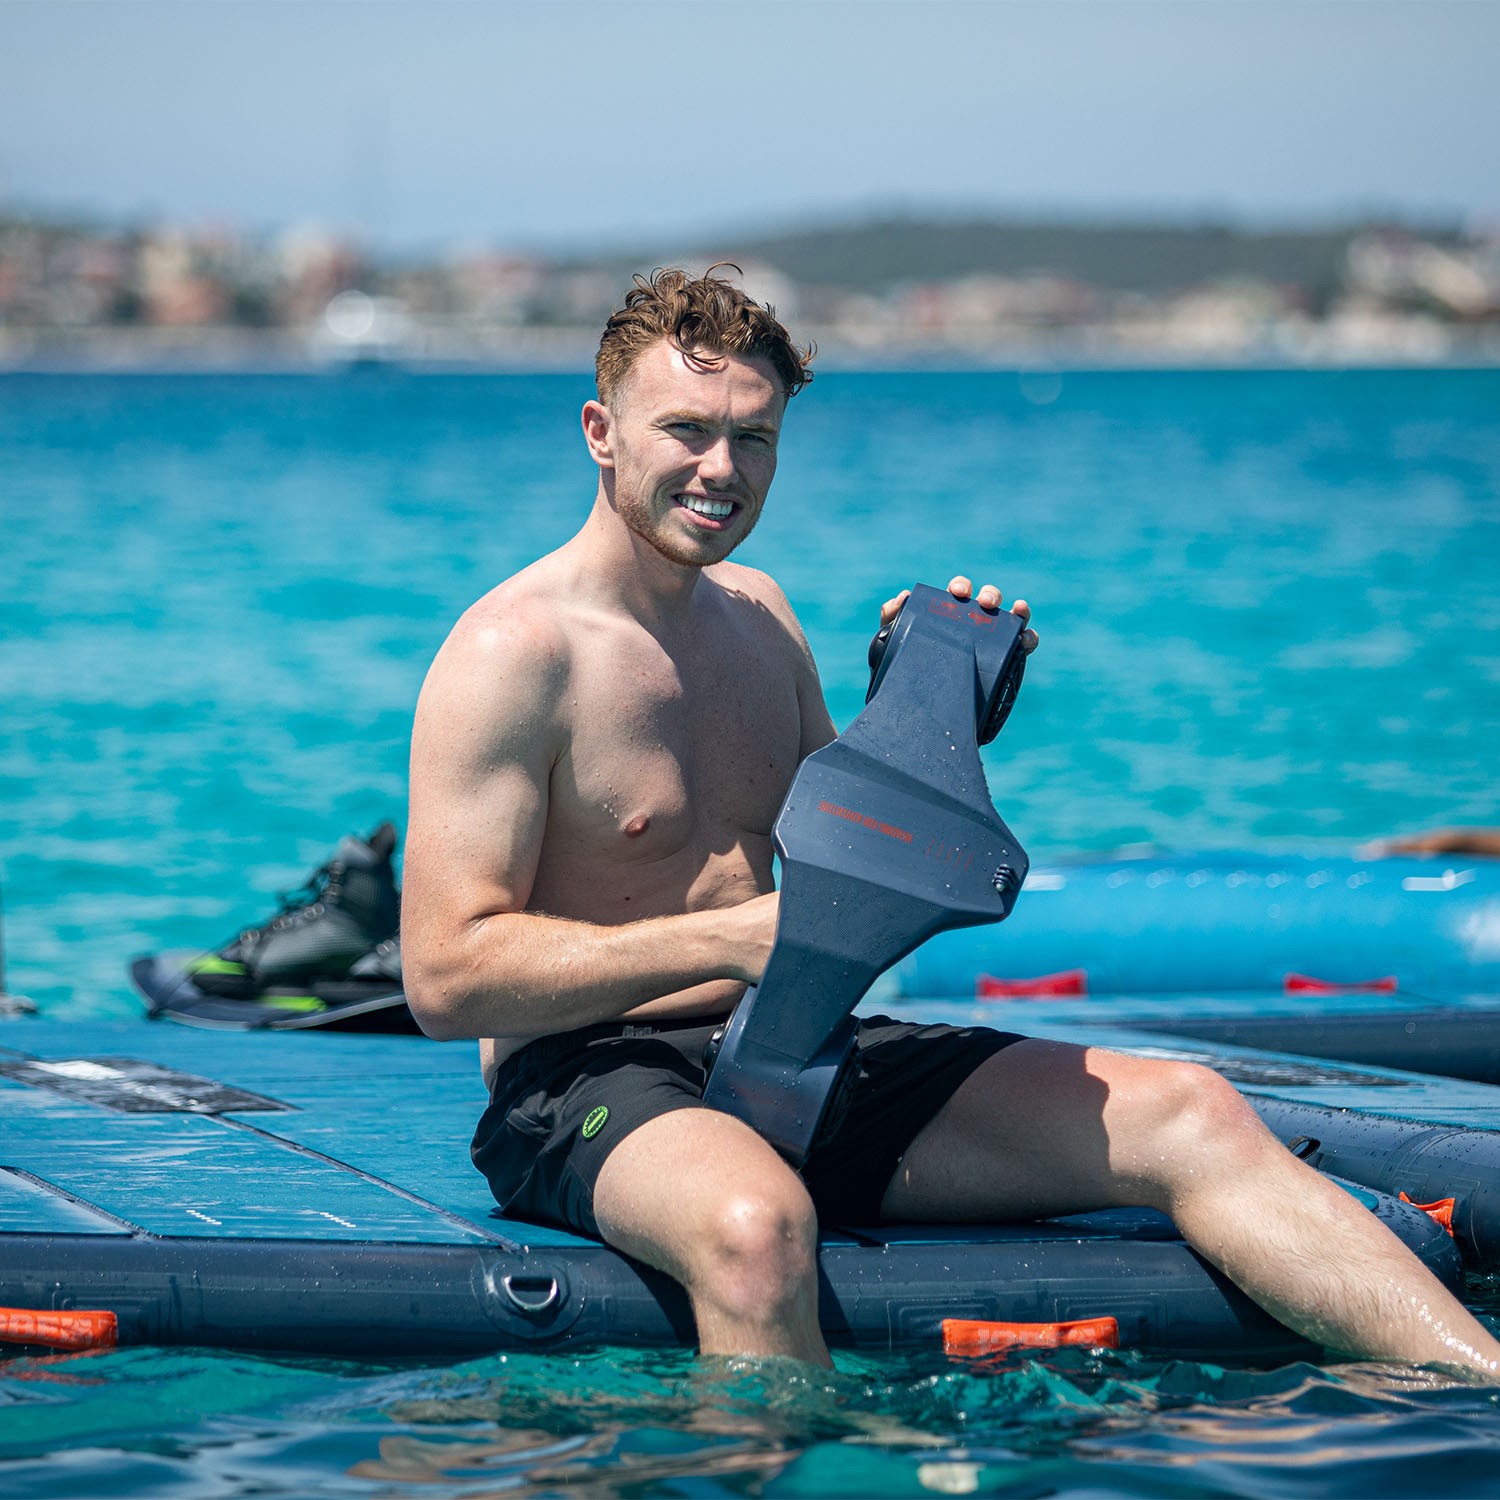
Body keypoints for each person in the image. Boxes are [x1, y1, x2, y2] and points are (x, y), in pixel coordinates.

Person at [402, 267, 1500, 1376]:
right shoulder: (515, 654)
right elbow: (445, 980)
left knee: (1192, 1112)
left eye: (754, 437)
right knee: (754, 1231)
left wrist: (929, 717)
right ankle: (774, 1458)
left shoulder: (761, 616)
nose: (722, 468)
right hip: (590, 1077)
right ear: (601, 432)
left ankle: (1477, 1384)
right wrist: (724, 941)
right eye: (686, 429)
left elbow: (853, 848)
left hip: (793, 1044)